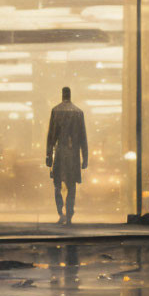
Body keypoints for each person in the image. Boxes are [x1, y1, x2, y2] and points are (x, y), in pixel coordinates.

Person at [45, 87, 88, 225]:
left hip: (60, 152)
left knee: (57, 184)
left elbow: (51, 136)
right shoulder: (78, 112)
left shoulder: (56, 111)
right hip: (74, 154)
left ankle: (61, 212)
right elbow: (83, 137)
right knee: (72, 186)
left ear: (62, 95)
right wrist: (85, 157)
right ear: (70, 95)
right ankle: (69, 213)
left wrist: (48, 155)